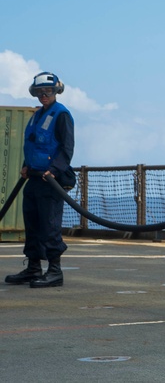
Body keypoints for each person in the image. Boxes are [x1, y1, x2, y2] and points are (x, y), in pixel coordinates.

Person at [5, 72, 75, 288]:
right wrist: (26, 166)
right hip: (34, 178)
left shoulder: (61, 115)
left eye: (48, 91)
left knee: (49, 225)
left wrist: (53, 170)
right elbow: (33, 145)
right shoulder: (37, 115)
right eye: (40, 92)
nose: (44, 95)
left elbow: (66, 148)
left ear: (56, 91)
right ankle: (33, 268)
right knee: (33, 224)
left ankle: (55, 271)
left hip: (50, 181)